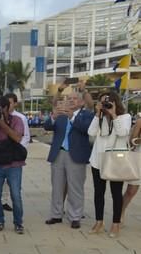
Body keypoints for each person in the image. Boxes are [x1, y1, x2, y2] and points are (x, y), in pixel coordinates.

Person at [43, 91, 94, 229]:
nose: (71, 101)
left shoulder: (87, 115)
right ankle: (56, 215)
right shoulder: (61, 114)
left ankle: (75, 216)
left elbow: (86, 129)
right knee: (57, 187)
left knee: (75, 188)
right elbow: (47, 126)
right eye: (69, 98)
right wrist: (53, 116)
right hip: (58, 154)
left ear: (82, 102)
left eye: (74, 99)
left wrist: (72, 117)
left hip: (76, 155)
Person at [88, 91, 131, 238]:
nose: (105, 105)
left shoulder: (125, 117)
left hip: (115, 161)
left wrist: (113, 115)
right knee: (98, 193)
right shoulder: (100, 117)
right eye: (102, 103)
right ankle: (99, 222)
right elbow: (91, 132)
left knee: (116, 194)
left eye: (107, 103)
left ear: (115, 102)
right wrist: (97, 114)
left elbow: (123, 132)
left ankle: (115, 224)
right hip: (98, 160)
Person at [0, 95, 26, 234]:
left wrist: (2, 124)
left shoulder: (17, 120)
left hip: (14, 164)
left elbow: (17, 138)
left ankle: (18, 223)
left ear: (6, 108)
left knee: (15, 195)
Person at [0, 93, 30, 212]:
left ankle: (13, 203)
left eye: (11, 102)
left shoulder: (20, 118)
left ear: (15, 104)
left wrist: (20, 151)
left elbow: (26, 136)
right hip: (1, 154)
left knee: (13, 183)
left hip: (14, 154)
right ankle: (3, 201)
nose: (8, 105)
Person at [121, 112, 141, 223]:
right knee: (131, 191)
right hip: (139, 159)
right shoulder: (139, 121)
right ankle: (121, 213)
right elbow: (132, 141)